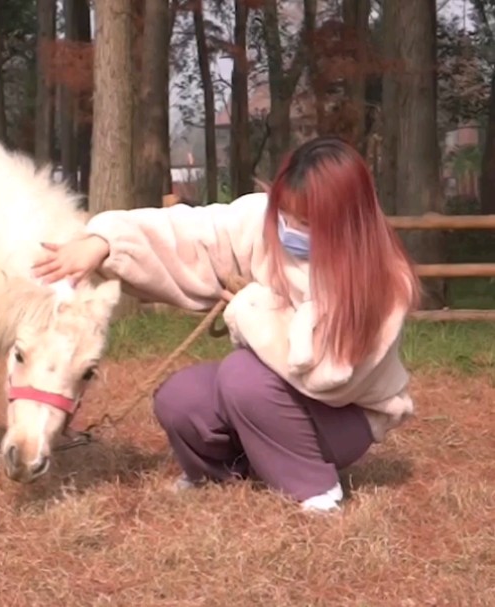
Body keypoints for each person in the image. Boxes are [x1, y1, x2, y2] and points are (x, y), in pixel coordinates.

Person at [31, 137, 421, 513]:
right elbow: (194, 233)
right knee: (179, 397)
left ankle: (316, 487)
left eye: (302, 221)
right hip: (268, 401)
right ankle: (221, 474)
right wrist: (105, 242)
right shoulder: (262, 220)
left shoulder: (387, 280)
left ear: (342, 222)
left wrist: (250, 307)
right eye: (284, 214)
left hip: (343, 418)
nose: (287, 228)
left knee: (241, 375)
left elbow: (330, 378)